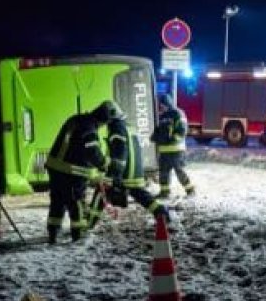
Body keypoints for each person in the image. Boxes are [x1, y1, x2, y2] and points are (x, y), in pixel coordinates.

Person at [88, 101, 168, 229]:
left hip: (124, 172)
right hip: (134, 171)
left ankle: (88, 222)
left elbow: (119, 152)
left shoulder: (116, 127)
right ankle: (161, 212)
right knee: (141, 195)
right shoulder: (127, 125)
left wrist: (115, 176)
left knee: (100, 191)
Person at [44, 102, 111, 244]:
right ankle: (78, 233)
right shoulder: (89, 126)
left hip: (55, 167)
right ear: (101, 120)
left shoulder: (77, 119)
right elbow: (92, 150)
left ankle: (53, 232)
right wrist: (104, 163)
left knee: (57, 201)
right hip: (71, 171)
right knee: (76, 202)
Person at [152, 94, 194, 199]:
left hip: (177, 150)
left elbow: (182, 131)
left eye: (162, 105)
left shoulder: (178, 113)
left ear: (167, 103)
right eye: (160, 106)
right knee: (163, 173)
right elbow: (158, 131)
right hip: (164, 151)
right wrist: (154, 137)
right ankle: (164, 192)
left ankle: (190, 191)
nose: (161, 107)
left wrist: (172, 140)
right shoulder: (162, 116)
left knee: (180, 171)